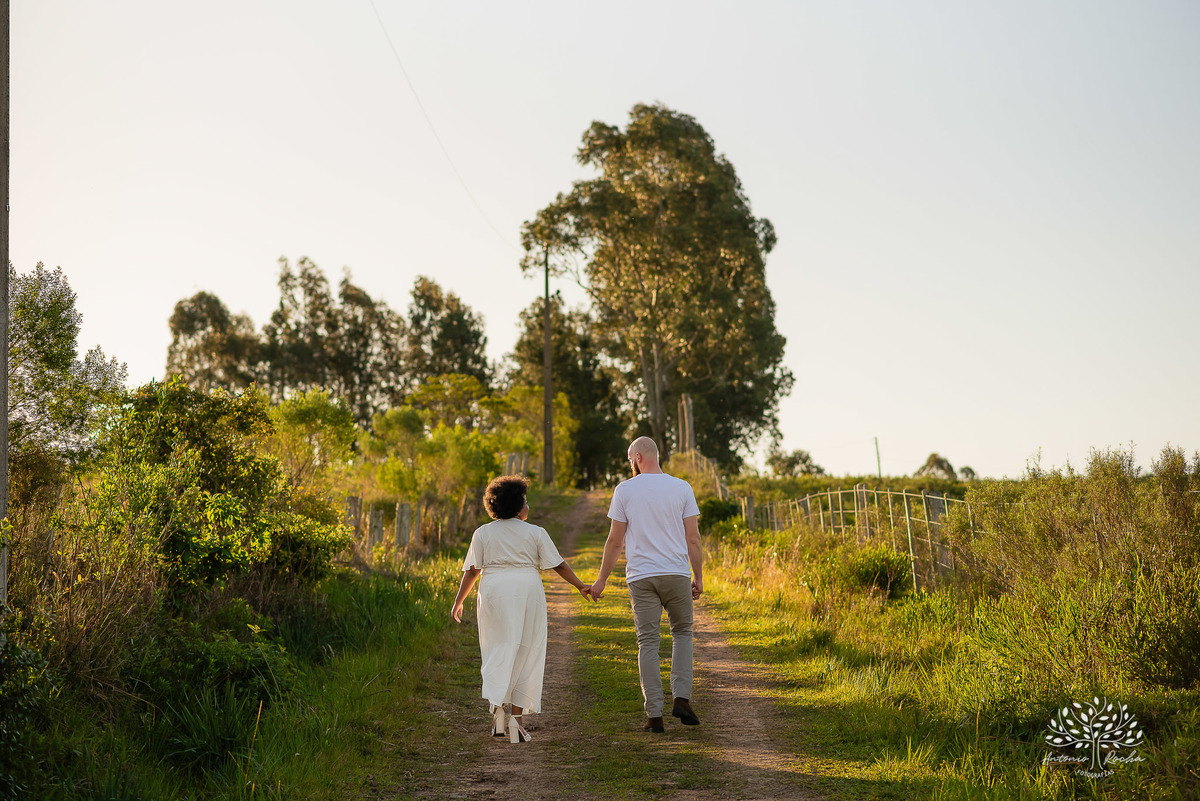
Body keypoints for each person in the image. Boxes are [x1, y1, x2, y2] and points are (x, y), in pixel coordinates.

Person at [451, 474, 593, 743]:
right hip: (526, 589)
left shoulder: (482, 533)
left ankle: (498, 710)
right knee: (527, 649)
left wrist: (458, 601)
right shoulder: (536, 533)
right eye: (525, 501)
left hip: (493, 589)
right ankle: (516, 721)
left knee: (496, 647)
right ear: (518, 505)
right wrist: (579, 586)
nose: (528, 506)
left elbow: (472, 571)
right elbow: (558, 565)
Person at [590, 437, 703, 733]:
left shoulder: (625, 490)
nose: (631, 466)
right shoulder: (682, 487)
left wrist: (601, 580)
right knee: (682, 634)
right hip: (676, 573)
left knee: (648, 643)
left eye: (630, 460)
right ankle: (681, 699)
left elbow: (615, 540)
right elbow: (693, 538)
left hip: (641, 577)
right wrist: (698, 576)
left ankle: (654, 715)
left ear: (638, 457)